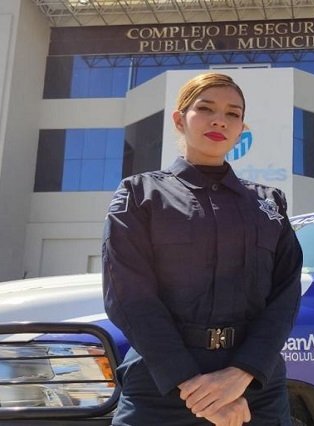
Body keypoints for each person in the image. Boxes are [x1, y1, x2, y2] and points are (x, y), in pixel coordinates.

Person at [102, 72, 303, 425]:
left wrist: (241, 374)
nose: (219, 120)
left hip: (254, 387)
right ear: (180, 119)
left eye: (232, 114)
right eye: (205, 108)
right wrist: (194, 387)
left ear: (241, 129)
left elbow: (285, 296)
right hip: (162, 384)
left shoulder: (268, 203)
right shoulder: (140, 195)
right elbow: (128, 295)